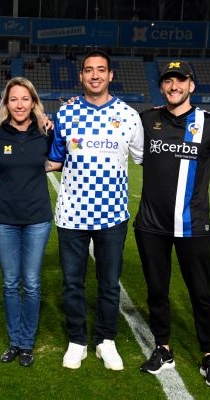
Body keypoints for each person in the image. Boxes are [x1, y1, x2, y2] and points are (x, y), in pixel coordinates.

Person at [46, 50, 143, 370]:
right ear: (81, 76)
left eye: (101, 70)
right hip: (72, 213)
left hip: (112, 214)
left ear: (111, 75)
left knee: (108, 282)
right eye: (89, 70)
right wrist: (10, 164)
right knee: (72, 282)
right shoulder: (67, 114)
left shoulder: (129, 116)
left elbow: (147, 159)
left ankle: (106, 341)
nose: (95, 75)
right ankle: (77, 341)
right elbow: (55, 160)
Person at [134, 60, 210, 387]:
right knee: (157, 291)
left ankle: (209, 355)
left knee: (201, 293)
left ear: (191, 84)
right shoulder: (145, 120)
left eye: (180, 80)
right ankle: (163, 348)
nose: (174, 86)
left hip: (193, 225)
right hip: (151, 225)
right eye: (168, 81)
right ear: (161, 86)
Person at [0, 77, 53, 367]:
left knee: (33, 283)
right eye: (14, 99)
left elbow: (60, 157)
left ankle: (27, 343)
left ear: (34, 102)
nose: (20, 104)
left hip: (38, 218)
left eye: (25, 98)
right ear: (6, 104)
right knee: (11, 283)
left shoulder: (47, 132)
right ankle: (14, 341)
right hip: (5, 219)